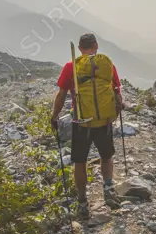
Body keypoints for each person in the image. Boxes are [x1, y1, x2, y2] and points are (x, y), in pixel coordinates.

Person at [51, 33, 123, 216]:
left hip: (81, 122)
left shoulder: (71, 67)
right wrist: (113, 115)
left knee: (80, 162)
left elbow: (61, 95)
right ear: (96, 46)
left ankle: (82, 201)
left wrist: (54, 116)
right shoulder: (107, 66)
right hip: (103, 122)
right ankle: (108, 188)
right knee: (106, 157)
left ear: (80, 48)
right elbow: (117, 92)